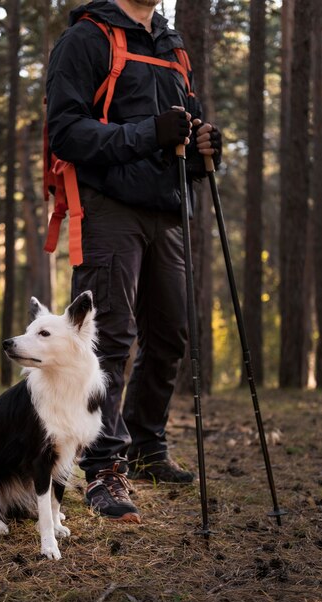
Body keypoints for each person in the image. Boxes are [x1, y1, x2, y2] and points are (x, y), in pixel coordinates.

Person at [46, 0, 222, 523]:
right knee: (110, 339)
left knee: (170, 335)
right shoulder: (85, 39)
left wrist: (205, 148)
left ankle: (146, 448)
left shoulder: (171, 46)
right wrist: (150, 134)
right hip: (106, 207)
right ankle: (101, 467)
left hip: (167, 211)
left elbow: (180, 137)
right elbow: (66, 132)